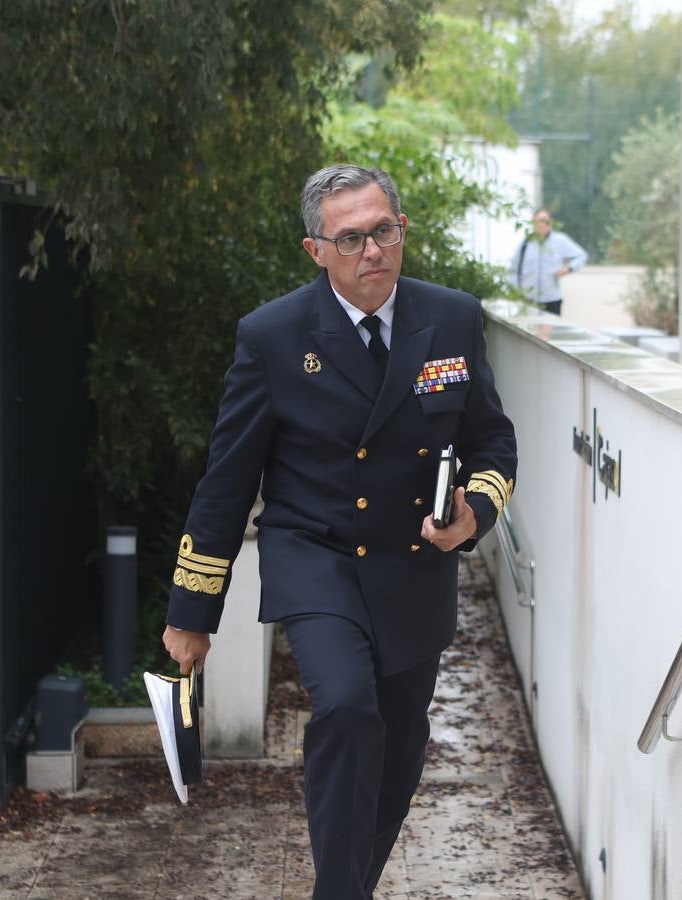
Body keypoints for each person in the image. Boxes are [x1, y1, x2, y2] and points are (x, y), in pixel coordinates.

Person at [161, 164, 517, 899]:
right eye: (350, 238)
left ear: (402, 229)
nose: (372, 251)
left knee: (399, 739)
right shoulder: (273, 336)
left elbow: (493, 444)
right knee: (348, 705)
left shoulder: (450, 317)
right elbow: (227, 483)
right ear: (315, 249)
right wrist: (191, 616)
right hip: (316, 555)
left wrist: (473, 513)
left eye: (384, 231)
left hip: (417, 562)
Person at [508, 207, 588, 316]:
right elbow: (514, 270)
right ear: (533, 223)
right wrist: (516, 293)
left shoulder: (560, 240)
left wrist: (569, 268)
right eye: (538, 221)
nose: (541, 224)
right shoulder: (525, 243)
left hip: (551, 300)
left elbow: (581, 255)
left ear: (550, 222)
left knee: (550, 333)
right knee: (528, 332)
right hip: (528, 301)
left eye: (544, 220)